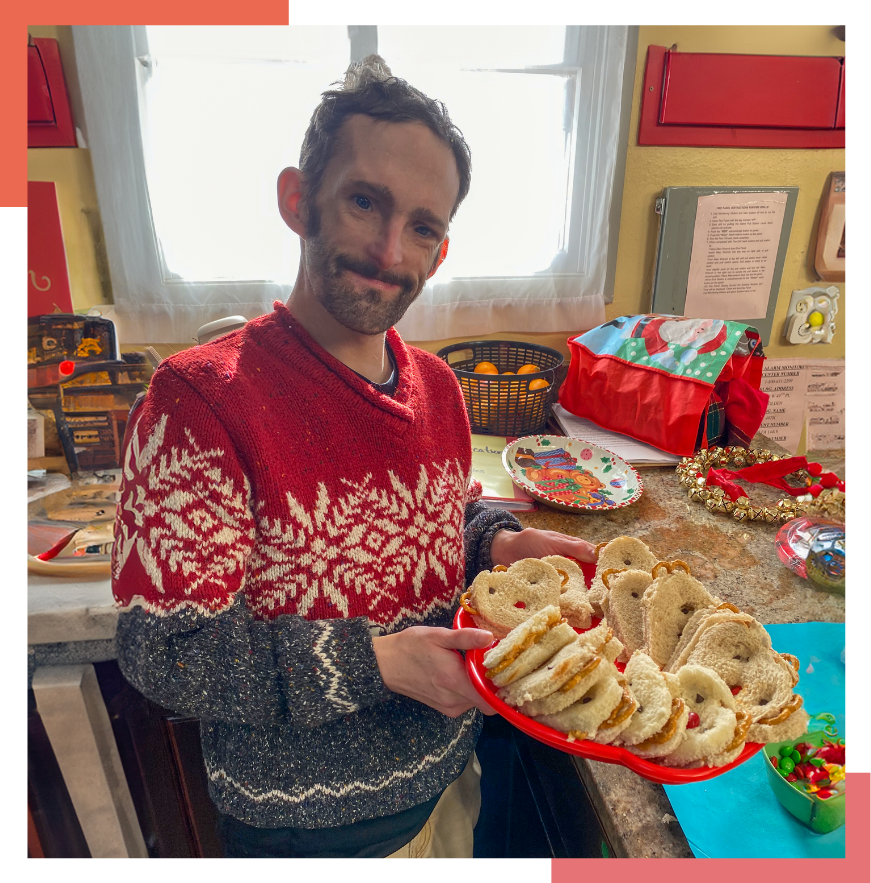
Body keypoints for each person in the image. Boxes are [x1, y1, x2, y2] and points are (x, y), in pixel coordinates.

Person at [111, 54, 595, 860]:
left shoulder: (438, 387)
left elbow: (430, 515)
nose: (387, 248)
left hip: (449, 773)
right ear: (298, 200)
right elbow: (165, 652)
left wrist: (494, 542)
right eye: (364, 201)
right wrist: (374, 664)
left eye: (422, 225)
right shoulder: (200, 401)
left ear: (440, 253)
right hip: (311, 829)